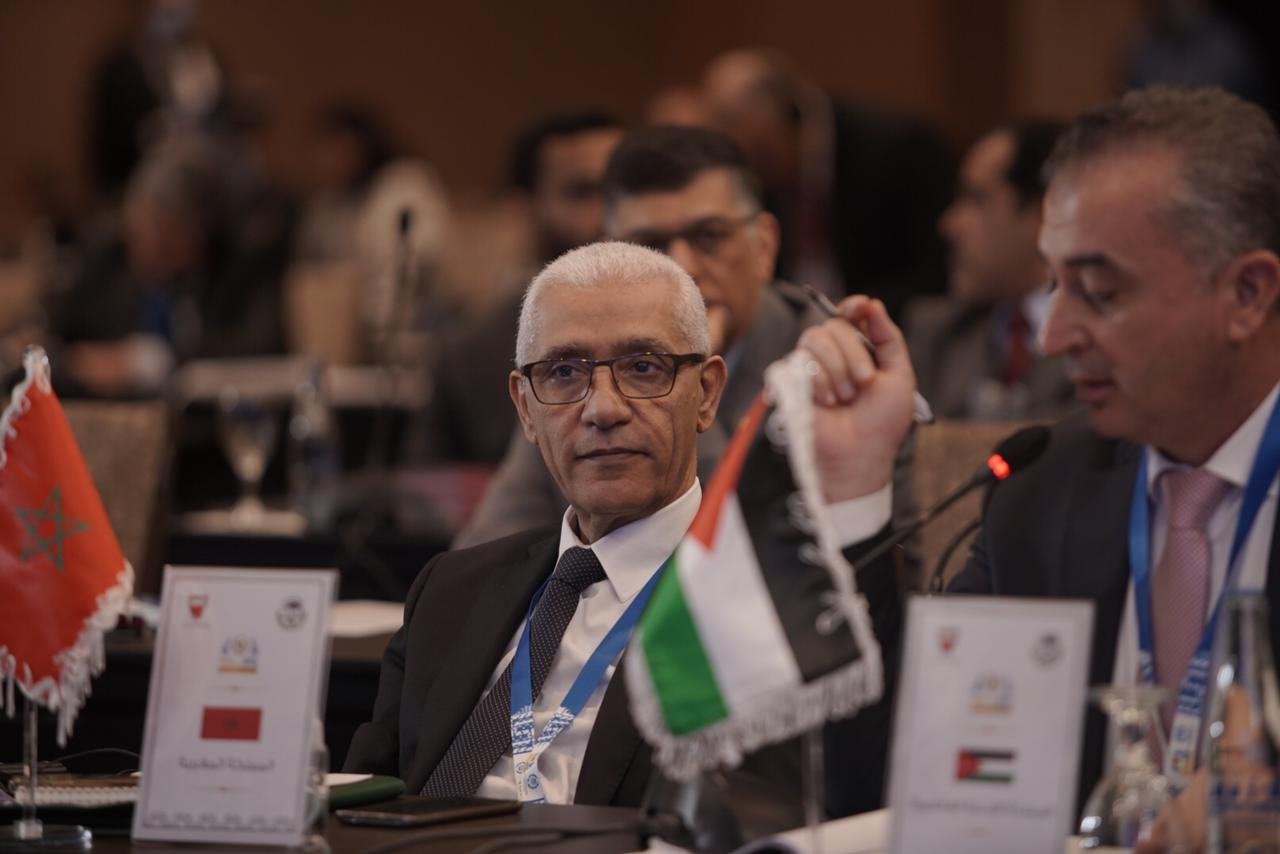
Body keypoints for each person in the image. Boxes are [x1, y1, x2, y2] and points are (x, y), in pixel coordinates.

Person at [345, 242, 913, 824]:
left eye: (643, 368)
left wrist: (858, 485)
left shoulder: (769, 596)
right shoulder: (450, 588)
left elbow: (859, 784)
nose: (604, 409)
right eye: (564, 373)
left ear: (707, 394)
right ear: (526, 409)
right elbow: (359, 794)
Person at [945, 87, 1280, 835]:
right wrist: (855, 499)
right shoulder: (1038, 487)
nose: (1054, 337)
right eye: (1053, 286)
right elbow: (918, 774)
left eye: (1099, 292)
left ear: (1247, 293)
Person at [456, 126, 918, 564]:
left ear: (763, 246)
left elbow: (785, 571)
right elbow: (487, 558)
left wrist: (683, 376)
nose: (684, 267)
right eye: (650, 244)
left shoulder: (838, 366)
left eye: (708, 238)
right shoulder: (579, 376)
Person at [418, 112, 623, 465]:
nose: (612, 214)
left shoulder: (697, 327)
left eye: (624, 189)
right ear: (524, 212)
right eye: (583, 193)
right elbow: (436, 493)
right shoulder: (471, 360)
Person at [701, 48, 953, 320]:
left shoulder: (900, 148)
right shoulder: (754, 171)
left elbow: (935, 272)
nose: (729, 144)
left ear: (786, 113)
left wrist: (850, 314)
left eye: (731, 121)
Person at [908, 119, 1076, 420]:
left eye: (975, 199)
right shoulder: (937, 336)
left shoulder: (1105, 341)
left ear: (1043, 213)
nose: (949, 224)